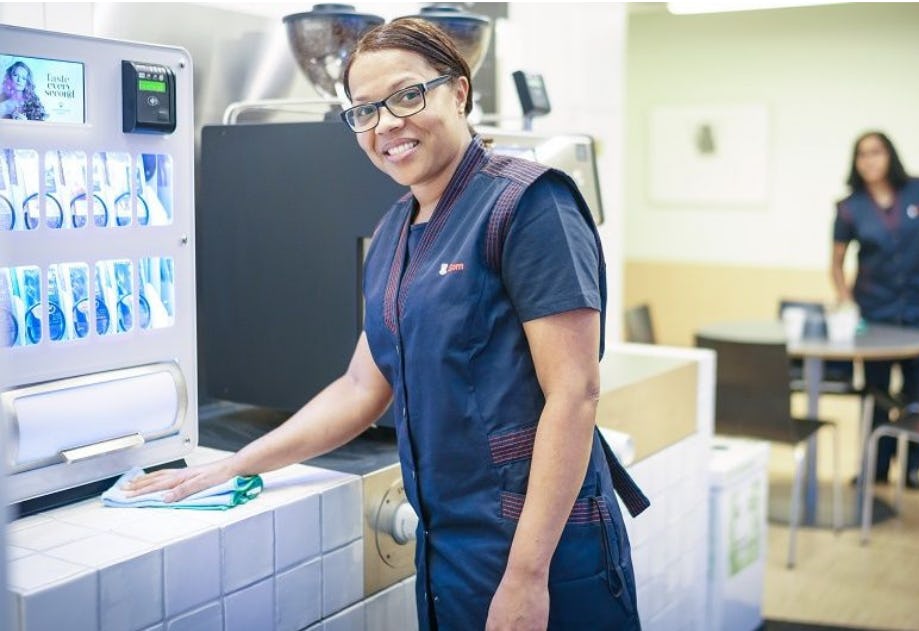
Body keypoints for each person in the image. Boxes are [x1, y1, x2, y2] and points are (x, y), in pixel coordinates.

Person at [126, 18, 644, 631]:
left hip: (544, 551)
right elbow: (360, 388)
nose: (386, 124)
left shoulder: (530, 204)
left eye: (406, 95)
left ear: (459, 92)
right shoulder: (396, 231)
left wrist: (528, 576)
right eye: (365, 110)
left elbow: (574, 392)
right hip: (450, 546)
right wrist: (233, 465)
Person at [831, 131, 919, 490]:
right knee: (875, 392)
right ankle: (874, 466)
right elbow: (836, 263)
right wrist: (845, 300)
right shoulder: (849, 207)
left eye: (876, 152)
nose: (870, 160)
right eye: (862, 154)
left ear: (890, 155)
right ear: (855, 162)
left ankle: (911, 467)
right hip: (875, 310)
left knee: (916, 392)